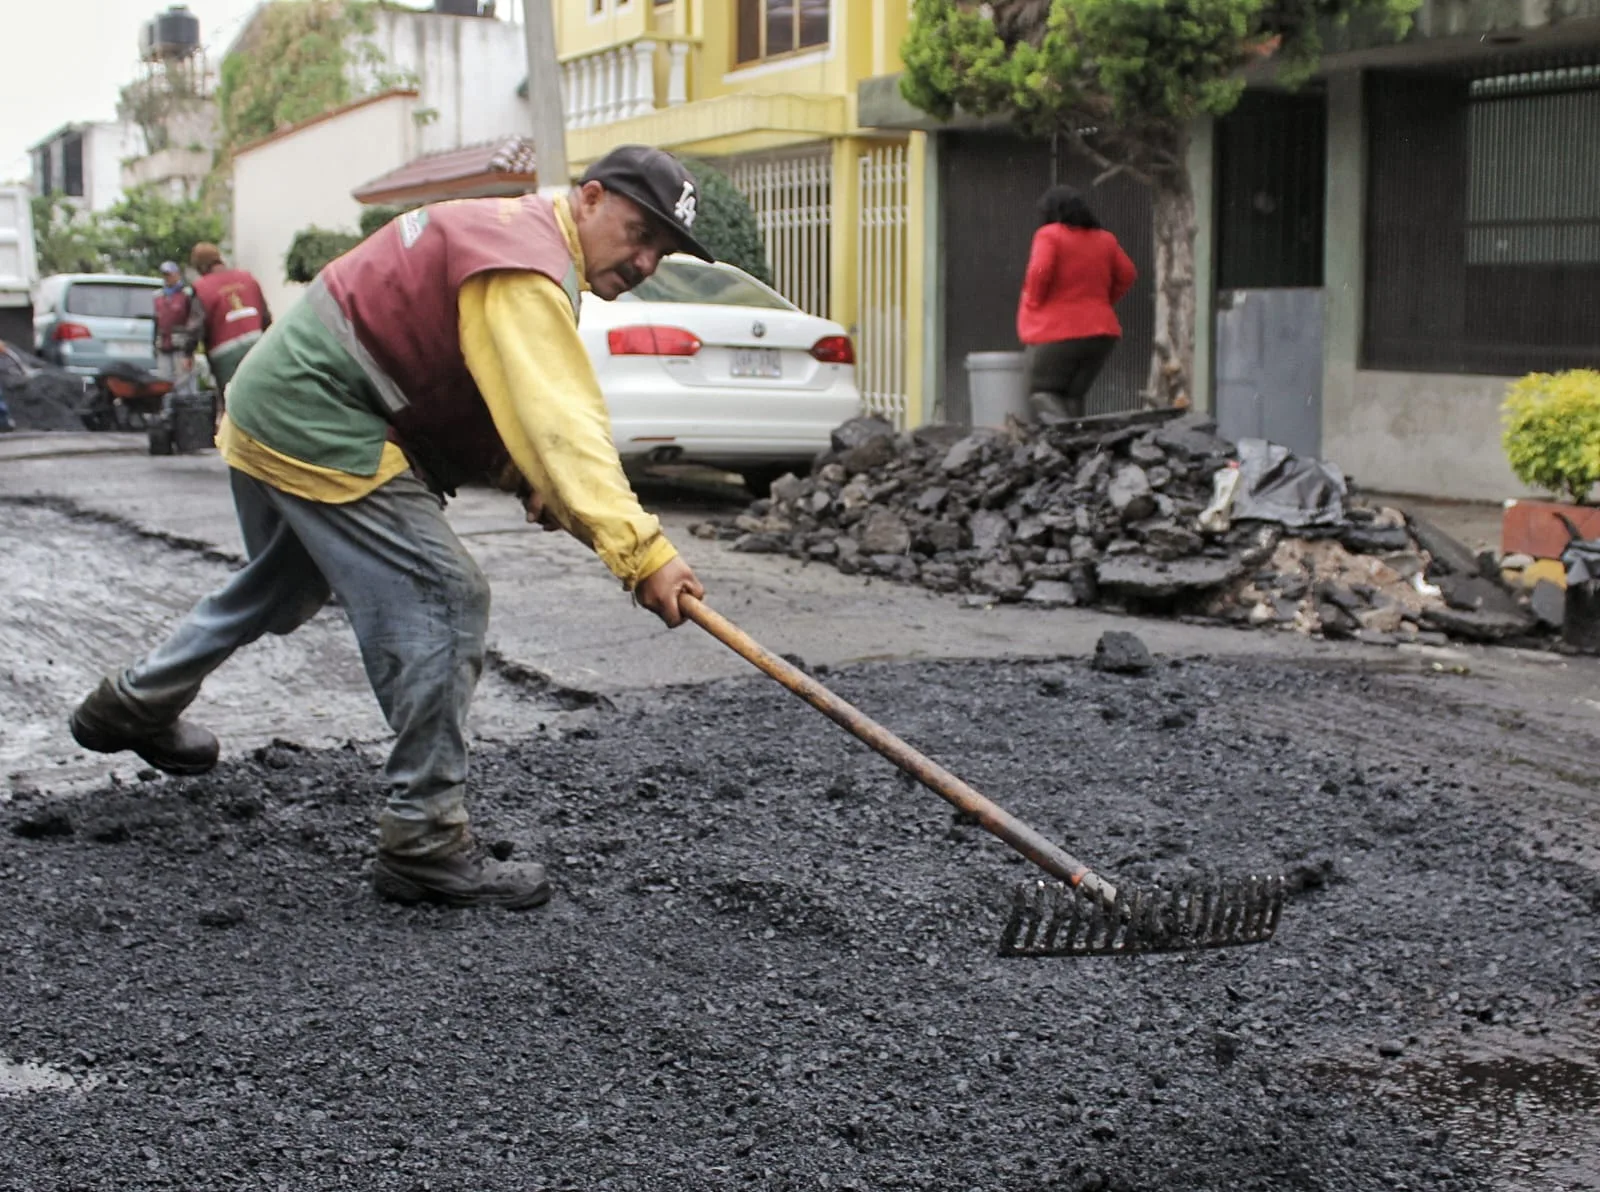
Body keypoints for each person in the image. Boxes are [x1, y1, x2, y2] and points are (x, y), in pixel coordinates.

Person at [69, 144, 711, 911]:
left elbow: (475, 394)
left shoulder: (509, 236)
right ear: (592, 197)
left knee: (282, 587)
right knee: (445, 596)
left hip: (273, 399)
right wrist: (644, 555)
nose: (644, 261)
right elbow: (561, 426)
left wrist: (531, 481)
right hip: (321, 414)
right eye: (639, 233)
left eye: (660, 251)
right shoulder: (525, 267)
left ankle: (130, 704)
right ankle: (425, 838)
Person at [1016, 185, 1137, 420]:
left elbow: (1040, 270)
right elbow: (1128, 274)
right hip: (1102, 335)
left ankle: (1066, 443)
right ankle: (1080, 450)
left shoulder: (1050, 234)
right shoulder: (1105, 240)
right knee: (1072, 395)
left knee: (1042, 390)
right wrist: (1102, 302)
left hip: (1057, 331)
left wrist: (1033, 299)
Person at [188, 243, 271, 417]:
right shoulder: (247, 278)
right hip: (258, 346)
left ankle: (240, 440)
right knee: (263, 397)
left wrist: (188, 353)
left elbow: (196, 326)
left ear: (200, 266)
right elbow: (265, 317)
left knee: (234, 404)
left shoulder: (202, 287)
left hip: (225, 354)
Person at [151, 261, 197, 380]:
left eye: (170, 274)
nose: (167, 278)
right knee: (164, 381)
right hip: (163, 346)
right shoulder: (158, 296)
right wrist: (154, 345)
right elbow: (156, 322)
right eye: (165, 275)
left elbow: (194, 322)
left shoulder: (187, 295)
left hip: (181, 347)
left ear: (177, 275)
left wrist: (189, 351)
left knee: (184, 382)